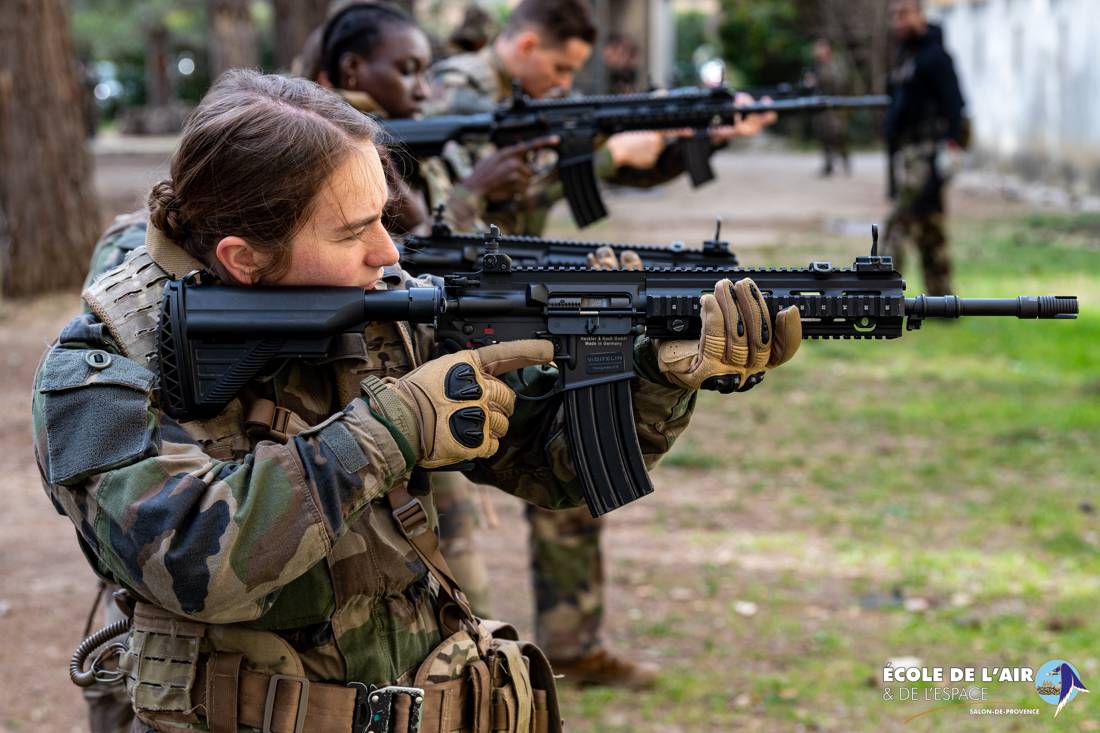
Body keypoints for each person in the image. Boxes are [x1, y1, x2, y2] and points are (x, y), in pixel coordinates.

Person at [35, 69, 801, 732]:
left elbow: (556, 466)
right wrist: (390, 430)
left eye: (384, 218)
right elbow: (193, 562)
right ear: (245, 259)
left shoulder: (381, 308)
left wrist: (655, 374)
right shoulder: (104, 367)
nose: (390, 253)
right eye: (355, 231)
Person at [425, 0, 776, 688]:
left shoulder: (529, 93)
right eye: (559, 67)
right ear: (525, 44)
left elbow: (608, 169)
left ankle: (573, 637)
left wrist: (696, 138)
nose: (563, 84)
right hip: (465, 307)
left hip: (528, 297)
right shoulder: (458, 90)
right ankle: (462, 668)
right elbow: (447, 202)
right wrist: (611, 150)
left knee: (585, 442)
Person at [883, 0, 968, 296]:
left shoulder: (935, 57)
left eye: (904, 14)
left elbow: (956, 106)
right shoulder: (906, 55)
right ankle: (941, 298)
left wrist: (953, 148)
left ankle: (880, 293)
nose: (898, 21)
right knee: (929, 225)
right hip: (909, 153)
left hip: (927, 153)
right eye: (894, 15)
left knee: (899, 222)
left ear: (920, 14)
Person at [804, 37, 851, 177]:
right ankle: (828, 164)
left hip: (835, 104)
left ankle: (845, 160)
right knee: (822, 134)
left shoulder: (835, 64)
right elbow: (811, 83)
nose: (817, 51)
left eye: (820, 48)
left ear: (827, 49)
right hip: (820, 104)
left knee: (837, 135)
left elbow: (841, 82)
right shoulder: (816, 65)